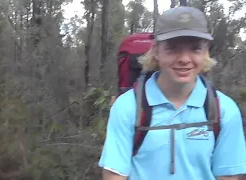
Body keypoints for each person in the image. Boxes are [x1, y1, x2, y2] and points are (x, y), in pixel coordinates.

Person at [98, 6, 246, 180]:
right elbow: (114, 174)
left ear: (206, 52)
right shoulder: (127, 107)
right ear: (156, 51)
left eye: (195, 48)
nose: (184, 59)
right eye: (173, 48)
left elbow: (228, 175)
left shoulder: (224, 110)